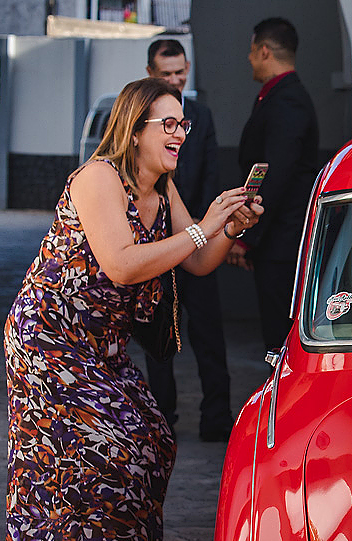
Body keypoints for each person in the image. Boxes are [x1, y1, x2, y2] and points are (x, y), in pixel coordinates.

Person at [0, 78, 263, 541]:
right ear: (134, 129)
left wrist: (226, 227)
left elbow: (198, 261)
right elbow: (120, 263)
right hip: (49, 340)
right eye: (168, 124)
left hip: (102, 345)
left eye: (182, 124)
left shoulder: (163, 190)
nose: (179, 134)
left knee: (153, 438)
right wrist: (204, 229)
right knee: (89, 454)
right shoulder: (98, 179)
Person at [143, 39, 234, 442]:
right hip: (158, 246)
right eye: (167, 74)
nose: (176, 80)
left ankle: (216, 417)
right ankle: (163, 419)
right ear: (151, 75)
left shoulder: (201, 115)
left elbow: (210, 173)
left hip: (196, 232)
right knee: (157, 337)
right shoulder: (139, 125)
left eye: (181, 72)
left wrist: (208, 226)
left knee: (209, 334)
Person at [229, 17, 320, 352]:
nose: (249, 59)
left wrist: (247, 236)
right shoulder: (276, 96)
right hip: (273, 237)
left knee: (279, 336)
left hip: (281, 241)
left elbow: (276, 174)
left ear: (264, 50)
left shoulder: (287, 100)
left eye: (252, 51)